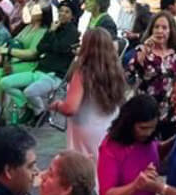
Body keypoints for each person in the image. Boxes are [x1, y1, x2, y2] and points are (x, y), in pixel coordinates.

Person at [53, 28, 127, 160]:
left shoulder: (83, 72)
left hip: (85, 128)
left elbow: (70, 108)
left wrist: (57, 105)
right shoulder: (116, 71)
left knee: (84, 169)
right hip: (109, 127)